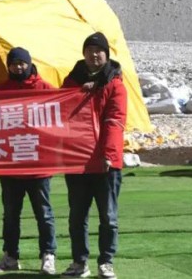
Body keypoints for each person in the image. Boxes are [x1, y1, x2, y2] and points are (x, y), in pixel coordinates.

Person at [60, 32, 127, 279]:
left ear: (107, 55)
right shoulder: (71, 81)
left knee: (107, 216)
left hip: (106, 163)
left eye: (99, 50)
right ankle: (80, 262)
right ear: (83, 53)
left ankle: (106, 262)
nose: (94, 54)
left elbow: (114, 120)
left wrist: (109, 154)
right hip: (78, 161)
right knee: (77, 215)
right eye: (90, 50)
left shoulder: (115, 84)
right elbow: (61, 113)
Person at [0, 47, 57, 275]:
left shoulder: (45, 89)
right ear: (8, 66)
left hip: (39, 166)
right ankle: (11, 255)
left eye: (22, 63)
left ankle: (48, 255)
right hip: (11, 166)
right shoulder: (0, 91)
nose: (18, 67)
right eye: (14, 63)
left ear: (29, 63)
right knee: (10, 214)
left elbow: (60, 117)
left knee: (44, 214)